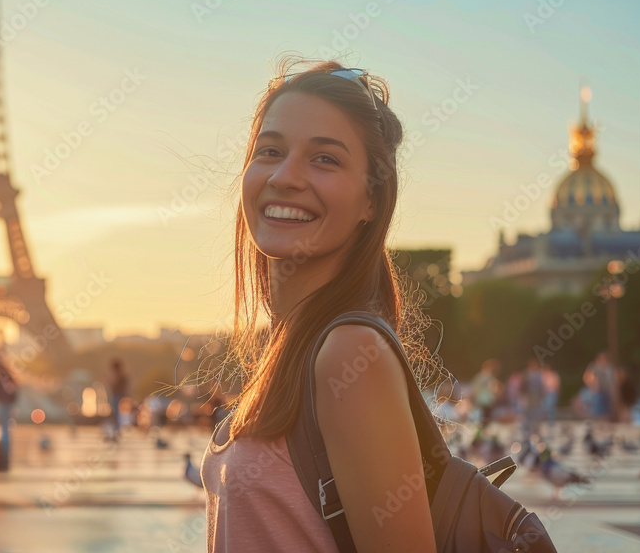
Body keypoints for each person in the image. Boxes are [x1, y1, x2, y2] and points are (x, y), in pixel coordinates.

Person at [198, 58, 440, 552]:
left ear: (372, 200)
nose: (286, 176)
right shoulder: (301, 346)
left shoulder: (348, 353)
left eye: (325, 159)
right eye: (270, 150)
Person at [470, 359, 501, 428]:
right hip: (484, 404)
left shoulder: (480, 377)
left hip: (483, 403)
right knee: (483, 421)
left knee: (482, 422)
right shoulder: (486, 378)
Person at [106, 357, 129, 436]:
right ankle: (117, 428)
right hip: (119, 396)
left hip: (117, 396)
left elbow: (115, 386)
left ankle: (117, 428)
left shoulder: (119, 376)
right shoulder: (123, 376)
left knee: (117, 413)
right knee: (118, 413)